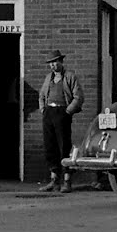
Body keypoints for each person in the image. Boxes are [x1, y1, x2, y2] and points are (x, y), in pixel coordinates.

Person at [38, 49, 84, 193]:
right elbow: (41, 95)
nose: (53, 65)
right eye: (50, 63)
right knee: (50, 146)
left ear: (61, 62)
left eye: (55, 62)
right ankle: (54, 181)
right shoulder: (48, 78)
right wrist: (43, 109)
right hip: (49, 113)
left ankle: (67, 180)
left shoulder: (70, 76)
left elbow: (78, 97)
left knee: (63, 146)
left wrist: (68, 111)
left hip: (62, 112)